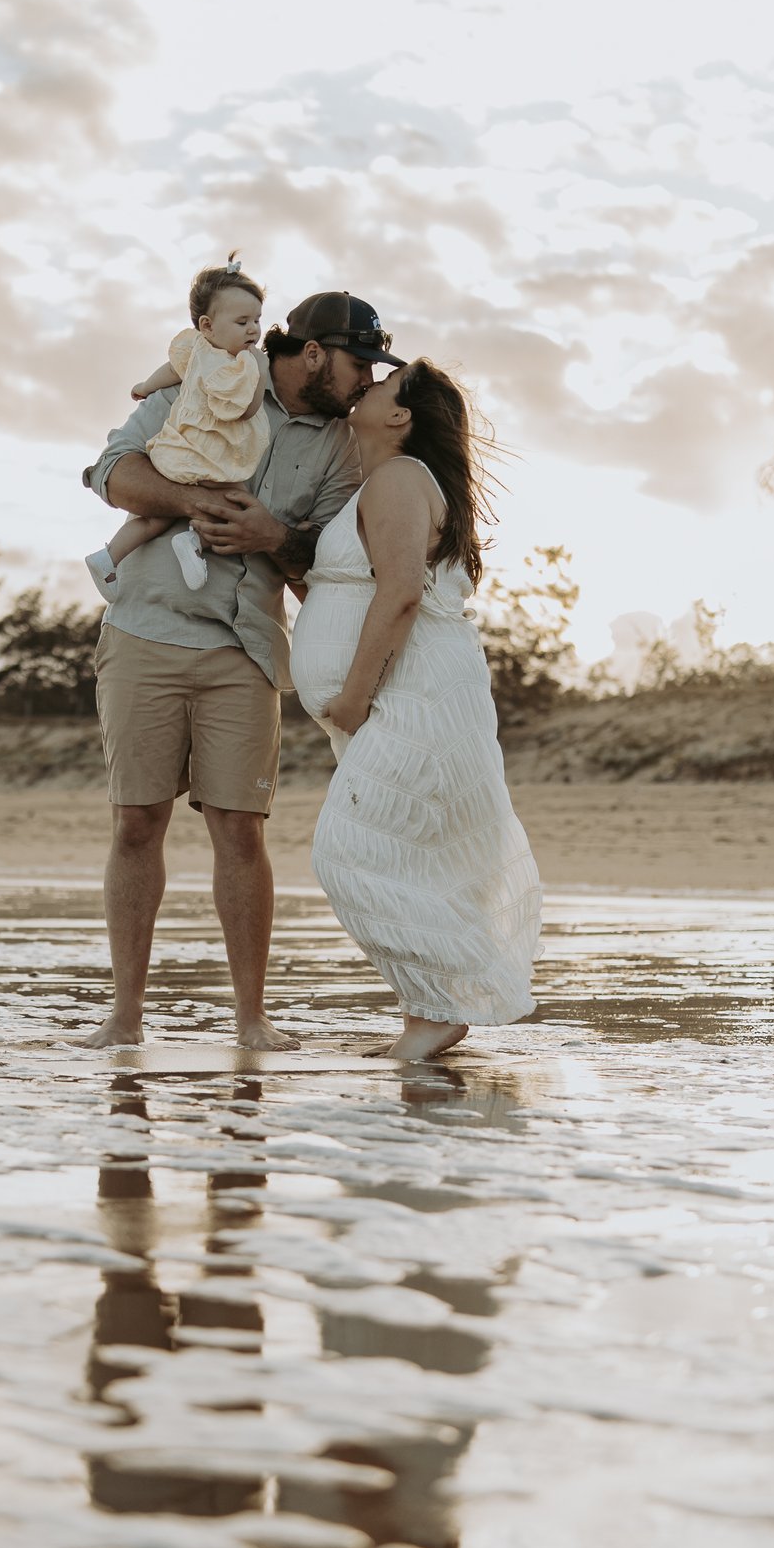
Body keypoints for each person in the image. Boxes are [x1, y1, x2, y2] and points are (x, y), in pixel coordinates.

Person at [78, 291, 400, 1051]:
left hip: (247, 650)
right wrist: (196, 503)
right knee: (134, 824)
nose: (364, 381)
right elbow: (110, 472)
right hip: (143, 632)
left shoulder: (340, 450)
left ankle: (252, 1019)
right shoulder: (211, 375)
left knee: (240, 832)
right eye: (359, 364)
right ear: (315, 353)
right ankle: (124, 1016)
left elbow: (323, 567)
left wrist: (271, 533)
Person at [292, 358, 543, 1061]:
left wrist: (351, 695)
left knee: (346, 851)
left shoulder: (400, 478)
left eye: (380, 387)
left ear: (400, 416)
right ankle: (427, 1013)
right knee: (411, 855)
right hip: (411, 693)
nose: (365, 385)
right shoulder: (383, 483)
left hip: (414, 694)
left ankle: (441, 1006)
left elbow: (401, 590)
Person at [88, 256, 270, 599]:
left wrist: (145, 385)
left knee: (156, 516)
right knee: (238, 503)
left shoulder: (197, 349)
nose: (253, 330)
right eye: (243, 321)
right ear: (208, 325)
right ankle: (193, 541)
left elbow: (172, 369)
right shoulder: (239, 367)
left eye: (257, 320)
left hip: (176, 450)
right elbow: (247, 410)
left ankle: (108, 557)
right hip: (209, 455)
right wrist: (258, 371)